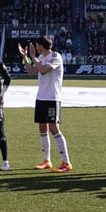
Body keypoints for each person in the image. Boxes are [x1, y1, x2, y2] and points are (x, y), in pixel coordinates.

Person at [22, 36, 71, 173]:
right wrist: (26, 57)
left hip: (52, 98)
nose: (36, 48)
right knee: (42, 128)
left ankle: (66, 162)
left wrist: (33, 57)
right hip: (41, 98)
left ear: (41, 46)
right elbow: (32, 72)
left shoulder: (55, 56)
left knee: (54, 128)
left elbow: (43, 70)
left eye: (37, 46)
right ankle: (46, 160)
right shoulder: (41, 58)